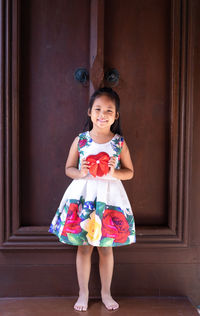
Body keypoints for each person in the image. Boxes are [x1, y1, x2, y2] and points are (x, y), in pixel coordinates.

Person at [48, 87, 136, 311]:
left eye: (109, 110)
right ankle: (83, 293)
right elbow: (68, 168)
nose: (102, 114)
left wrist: (114, 172)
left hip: (109, 200)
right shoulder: (81, 141)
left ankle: (106, 293)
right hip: (84, 198)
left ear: (116, 116)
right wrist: (82, 172)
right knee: (84, 247)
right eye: (98, 109)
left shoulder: (118, 143)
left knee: (106, 248)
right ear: (89, 112)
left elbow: (130, 172)